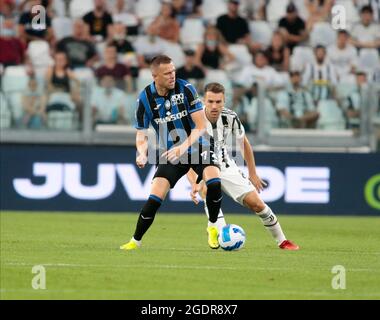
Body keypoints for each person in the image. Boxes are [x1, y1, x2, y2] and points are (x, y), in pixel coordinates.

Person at [120, 55, 223, 251]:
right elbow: (141, 135)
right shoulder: (144, 99)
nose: (172, 75)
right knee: (155, 198)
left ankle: (212, 227)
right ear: (154, 76)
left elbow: (201, 126)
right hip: (172, 154)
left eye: (174, 71)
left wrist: (182, 147)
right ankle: (135, 241)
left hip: (198, 146)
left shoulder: (186, 89)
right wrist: (141, 153)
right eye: (167, 73)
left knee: (214, 182)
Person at [187, 82, 299, 250]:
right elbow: (184, 152)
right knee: (207, 189)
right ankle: (217, 233)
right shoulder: (193, 119)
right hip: (200, 163)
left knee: (257, 204)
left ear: (224, 101)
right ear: (204, 100)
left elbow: (244, 144)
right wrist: (194, 181)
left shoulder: (230, 117)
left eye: (218, 102)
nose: (214, 106)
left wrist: (253, 173)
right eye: (210, 101)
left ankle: (282, 240)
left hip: (225, 165)